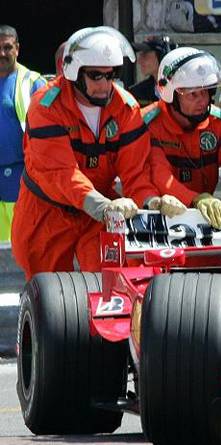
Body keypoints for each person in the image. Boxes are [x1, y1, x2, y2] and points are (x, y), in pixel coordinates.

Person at [11, 26, 183, 279]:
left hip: (101, 211)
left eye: (112, 75)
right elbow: (60, 172)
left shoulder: (126, 108)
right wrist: (103, 206)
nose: (105, 85)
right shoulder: (46, 107)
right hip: (47, 211)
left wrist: (150, 201)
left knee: (111, 282)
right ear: (75, 73)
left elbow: (136, 172)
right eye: (96, 76)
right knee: (49, 294)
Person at [143, 46, 221, 230]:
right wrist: (195, 199)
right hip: (165, 222)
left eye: (206, 92)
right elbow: (159, 174)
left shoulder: (219, 122)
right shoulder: (149, 123)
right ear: (171, 94)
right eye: (193, 94)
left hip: (208, 220)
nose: (202, 101)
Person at [0, 25, 46, 243]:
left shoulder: (33, 83)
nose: (2, 53)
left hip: (22, 181)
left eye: (7, 47)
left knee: (22, 249)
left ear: (17, 49)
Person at [130, 33, 178, 107]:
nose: (139, 60)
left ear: (162, 56)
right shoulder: (135, 92)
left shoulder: (184, 90)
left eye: (145, 54)